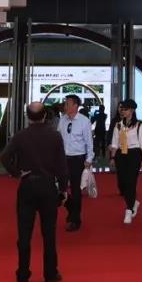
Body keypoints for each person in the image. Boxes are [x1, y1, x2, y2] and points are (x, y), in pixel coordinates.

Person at [0, 101, 68, 282]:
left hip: (27, 186)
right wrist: (63, 189)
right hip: (48, 186)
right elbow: (62, 165)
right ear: (45, 116)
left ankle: (23, 274)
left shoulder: (20, 136)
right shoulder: (55, 136)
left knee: (24, 233)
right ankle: (50, 273)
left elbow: (4, 157)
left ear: (27, 116)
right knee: (49, 233)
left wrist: (16, 173)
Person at [57, 94, 94, 232]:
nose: (65, 106)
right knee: (59, 189)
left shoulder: (84, 121)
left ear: (75, 106)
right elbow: (57, 139)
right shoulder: (62, 120)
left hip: (78, 160)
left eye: (67, 104)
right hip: (62, 159)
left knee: (76, 190)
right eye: (65, 103)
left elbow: (89, 142)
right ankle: (72, 209)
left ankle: (75, 220)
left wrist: (89, 159)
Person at [110, 99, 142, 224]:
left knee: (131, 182)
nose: (123, 111)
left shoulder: (139, 125)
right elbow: (115, 143)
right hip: (121, 154)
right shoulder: (118, 125)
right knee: (123, 183)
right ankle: (134, 202)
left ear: (132, 110)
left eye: (125, 109)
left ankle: (129, 209)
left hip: (134, 155)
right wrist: (112, 157)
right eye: (122, 109)